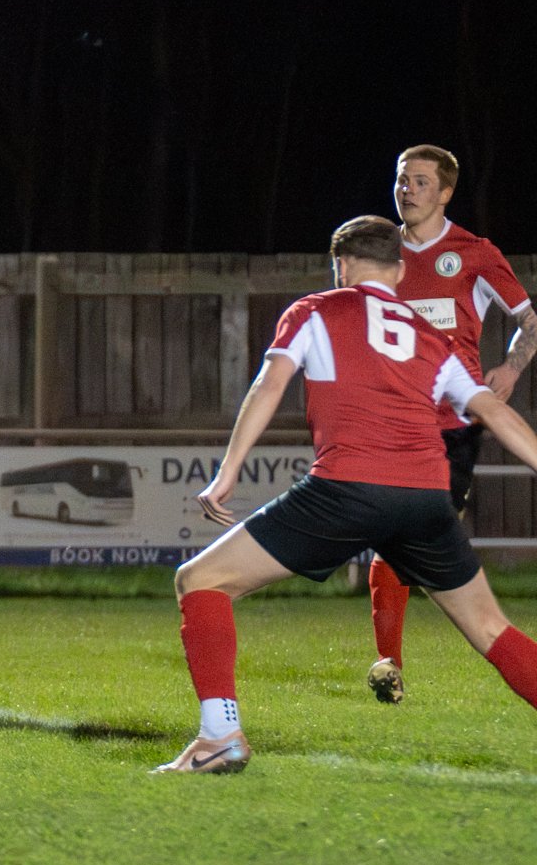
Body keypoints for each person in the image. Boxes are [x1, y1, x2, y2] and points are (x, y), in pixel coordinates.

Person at [158, 216, 537, 773]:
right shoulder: (433, 339)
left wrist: (227, 472)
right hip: (425, 499)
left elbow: (269, 385)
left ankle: (221, 736)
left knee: (200, 581)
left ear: (340, 265)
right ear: (401, 269)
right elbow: (493, 412)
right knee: (490, 628)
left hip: (346, 489)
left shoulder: (315, 311)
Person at [365, 146, 537, 704]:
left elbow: (529, 322)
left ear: (445, 193)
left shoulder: (474, 254)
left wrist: (510, 367)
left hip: (453, 424)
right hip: (391, 418)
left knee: (418, 536)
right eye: (400, 179)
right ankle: (388, 662)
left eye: (419, 181)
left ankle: (491, 640)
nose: (406, 189)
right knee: (393, 537)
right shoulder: (377, 253)